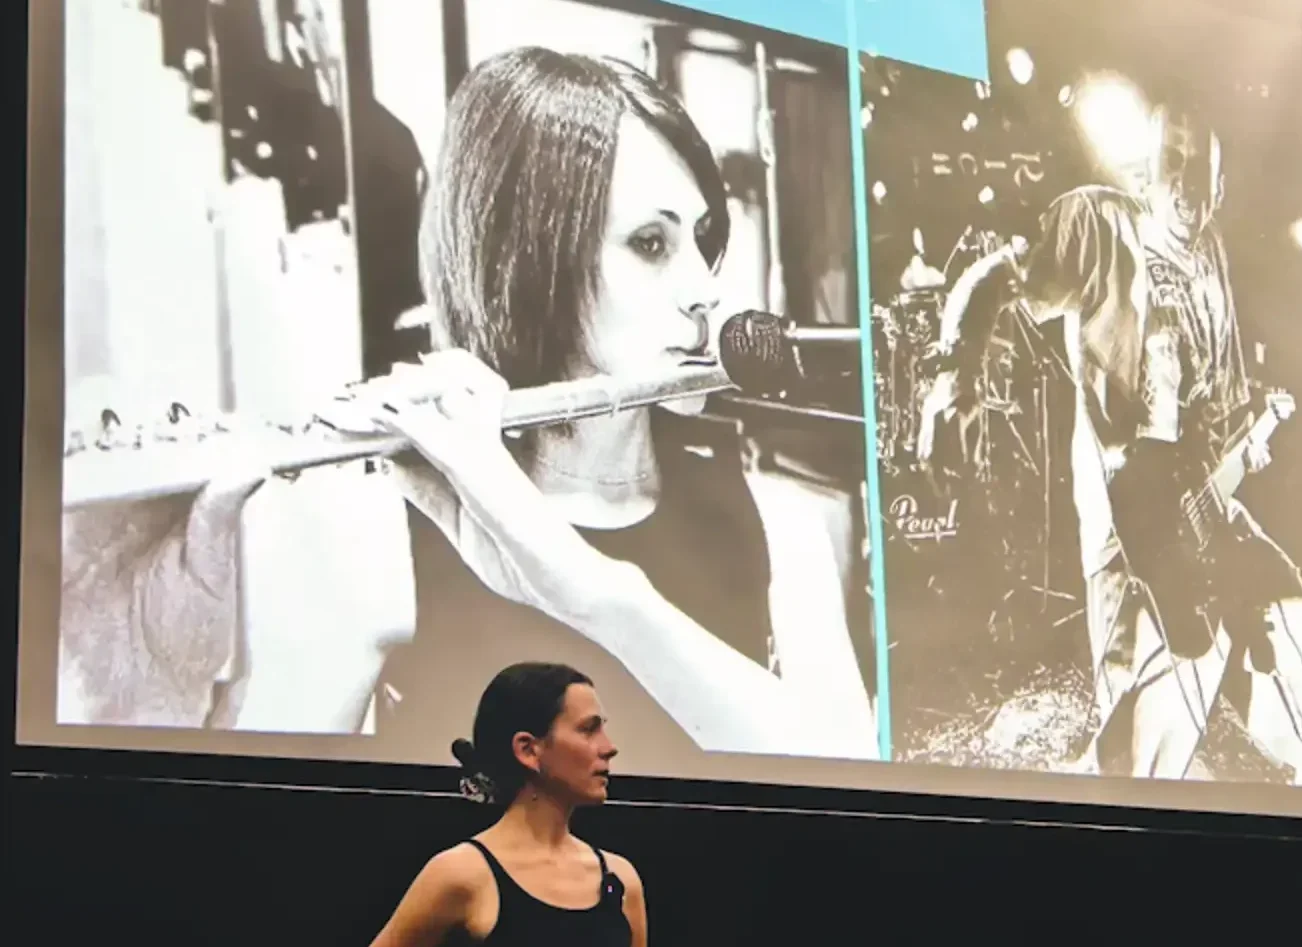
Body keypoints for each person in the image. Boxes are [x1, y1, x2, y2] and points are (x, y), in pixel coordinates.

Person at [57, 47, 878, 761]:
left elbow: (848, 779)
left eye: (700, 238)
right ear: (534, 263)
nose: (706, 292)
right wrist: (144, 685)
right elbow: (266, 848)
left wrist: (596, 597)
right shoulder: (374, 530)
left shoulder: (781, 520)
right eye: (650, 243)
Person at [917, 101, 1302, 787]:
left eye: (1199, 173)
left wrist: (1247, 441)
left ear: (1220, 187)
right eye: (1170, 164)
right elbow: (997, 276)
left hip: (1207, 519)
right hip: (1131, 534)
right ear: (1144, 170)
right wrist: (952, 376)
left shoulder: (1212, 254)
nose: (1183, 186)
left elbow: (1217, 396)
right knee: (1140, 769)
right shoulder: (1099, 225)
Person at [370, 662, 643, 947]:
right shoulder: (461, 875)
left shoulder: (621, 880)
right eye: (589, 730)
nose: (609, 747)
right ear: (527, 749)